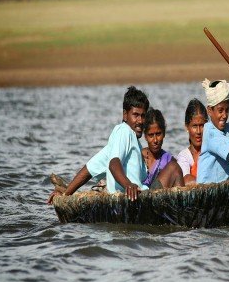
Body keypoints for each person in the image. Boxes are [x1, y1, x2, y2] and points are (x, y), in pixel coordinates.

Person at [47, 86, 182, 204]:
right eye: (135, 115)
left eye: (143, 115)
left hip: (137, 196)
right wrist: (128, 185)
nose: (140, 121)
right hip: (135, 199)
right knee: (174, 168)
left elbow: (88, 170)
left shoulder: (124, 141)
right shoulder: (124, 131)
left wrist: (66, 194)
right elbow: (114, 163)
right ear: (125, 115)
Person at [141, 108, 183, 189]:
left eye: (158, 134)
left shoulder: (170, 161)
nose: (155, 140)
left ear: (164, 133)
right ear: (145, 136)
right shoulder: (139, 156)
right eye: (151, 135)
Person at [176, 99, 207, 185]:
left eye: (202, 126)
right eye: (194, 126)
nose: (198, 131)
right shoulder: (184, 156)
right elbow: (186, 180)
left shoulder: (214, 149)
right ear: (187, 127)